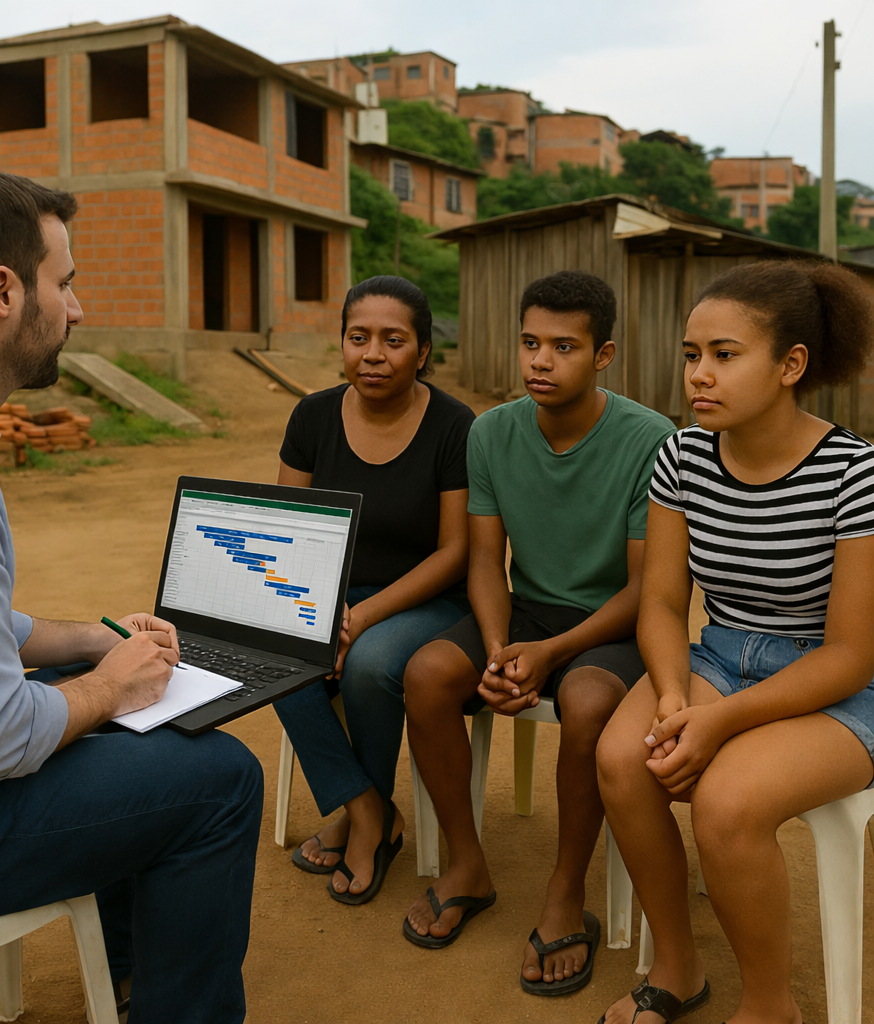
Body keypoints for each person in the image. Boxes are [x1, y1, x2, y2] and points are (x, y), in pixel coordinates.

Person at [0, 161, 263, 1024]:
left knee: (99, 705)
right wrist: (110, 687)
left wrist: (90, 644)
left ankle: (130, 974)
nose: (76, 308)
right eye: (64, 283)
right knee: (220, 779)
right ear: (3, 291)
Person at [595, 260, 874, 1024]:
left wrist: (718, 722)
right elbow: (661, 601)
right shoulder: (683, 458)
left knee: (727, 801)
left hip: (836, 681)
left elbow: (852, 654)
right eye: (692, 354)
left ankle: (769, 1006)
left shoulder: (854, 473)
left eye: (724, 354)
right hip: (720, 655)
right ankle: (677, 967)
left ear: (791, 365)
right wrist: (674, 693)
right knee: (622, 757)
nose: (699, 374)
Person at [402, 271, 675, 997]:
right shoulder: (491, 432)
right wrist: (498, 650)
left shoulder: (651, 440)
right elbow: (485, 561)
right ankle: (468, 864)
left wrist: (551, 653)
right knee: (428, 673)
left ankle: (564, 890)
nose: (540, 362)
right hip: (525, 612)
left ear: (603, 354)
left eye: (564, 346)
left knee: (587, 703)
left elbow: (644, 589)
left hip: (614, 621)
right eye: (530, 343)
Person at [273, 276, 474, 904]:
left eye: (394, 340)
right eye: (358, 338)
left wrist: (359, 618)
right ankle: (367, 809)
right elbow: (289, 528)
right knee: (272, 652)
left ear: (423, 351)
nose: (373, 355)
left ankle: (365, 818)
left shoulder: (453, 425)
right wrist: (323, 606)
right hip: (329, 593)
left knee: (368, 662)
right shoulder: (311, 417)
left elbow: (455, 552)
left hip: (427, 600)